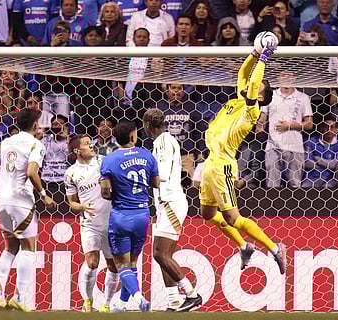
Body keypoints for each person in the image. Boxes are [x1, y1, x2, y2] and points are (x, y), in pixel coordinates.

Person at [200, 44, 288, 274]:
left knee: (231, 217)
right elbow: (242, 73)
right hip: (210, 162)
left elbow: (252, 86)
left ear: (260, 94)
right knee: (207, 214)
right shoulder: (240, 99)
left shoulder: (252, 110)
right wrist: (254, 54)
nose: (252, 81)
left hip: (223, 165)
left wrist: (264, 59)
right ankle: (243, 245)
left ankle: (274, 248)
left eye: (259, 83)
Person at [0, 108, 56, 312]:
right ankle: (19, 297)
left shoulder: (6, 142)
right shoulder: (36, 144)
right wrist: (44, 195)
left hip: (3, 202)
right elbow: (31, 172)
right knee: (28, 248)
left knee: (9, 248)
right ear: (35, 125)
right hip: (22, 202)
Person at [143, 108, 202, 312]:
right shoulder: (163, 141)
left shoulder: (164, 143)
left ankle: (191, 294)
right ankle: (174, 301)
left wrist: (140, 176)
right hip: (166, 202)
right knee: (164, 255)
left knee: (160, 254)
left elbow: (164, 174)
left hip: (170, 201)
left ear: (148, 125)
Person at [99, 121, 160, 312]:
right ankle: (122, 305)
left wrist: (117, 190)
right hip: (142, 214)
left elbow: (105, 192)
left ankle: (139, 298)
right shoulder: (146, 155)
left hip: (121, 216)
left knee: (121, 264)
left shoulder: (109, 160)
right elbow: (156, 183)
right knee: (132, 263)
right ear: (133, 137)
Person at [64, 134, 119, 313]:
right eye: (87, 144)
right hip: (90, 224)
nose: (92, 146)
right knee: (92, 262)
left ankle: (107, 304)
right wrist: (81, 206)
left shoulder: (103, 162)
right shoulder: (71, 173)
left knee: (113, 266)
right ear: (77, 150)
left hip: (111, 222)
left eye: (91, 143)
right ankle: (87, 302)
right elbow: (72, 203)